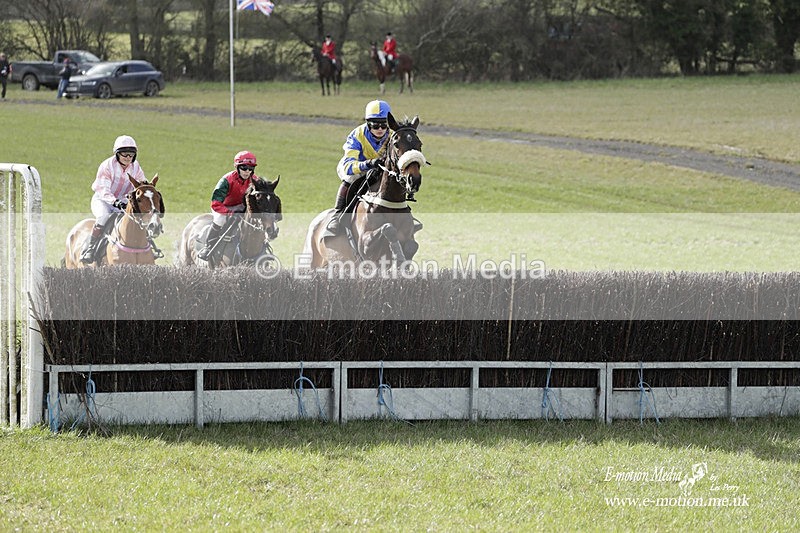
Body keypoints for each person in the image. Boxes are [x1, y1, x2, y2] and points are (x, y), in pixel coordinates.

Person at [325, 100, 392, 236]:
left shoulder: (392, 136)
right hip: (357, 168)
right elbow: (349, 166)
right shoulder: (357, 135)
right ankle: (337, 215)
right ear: (368, 123)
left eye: (384, 125)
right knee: (351, 177)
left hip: (382, 170)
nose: (380, 129)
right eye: (375, 125)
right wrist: (368, 164)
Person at [80, 135, 147, 263]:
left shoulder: (136, 166)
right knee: (103, 217)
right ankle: (90, 248)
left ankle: (146, 249)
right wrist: (115, 202)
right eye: (124, 155)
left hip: (123, 203)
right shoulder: (107, 166)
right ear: (117, 154)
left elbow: (140, 184)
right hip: (103, 200)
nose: (128, 158)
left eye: (131, 155)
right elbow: (104, 190)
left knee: (137, 220)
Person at [197, 150, 261, 261]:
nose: (247, 172)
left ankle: (262, 248)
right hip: (223, 207)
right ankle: (208, 247)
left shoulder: (255, 180)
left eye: (251, 169)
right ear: (237, 167)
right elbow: (216, 203)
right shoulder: (226, 180)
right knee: (220, 220)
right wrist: (229, 213)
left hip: (243, 208)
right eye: (244, 168)